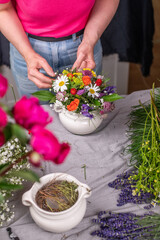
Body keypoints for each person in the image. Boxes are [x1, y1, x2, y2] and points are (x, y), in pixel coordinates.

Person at [0, 0, 119, 98]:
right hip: (28, 47)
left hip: (84, 46)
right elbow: (3, 9)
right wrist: (28, 54)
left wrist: (89, 40)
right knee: (36, 121)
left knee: (87, 118)